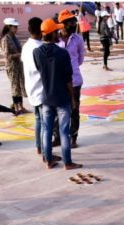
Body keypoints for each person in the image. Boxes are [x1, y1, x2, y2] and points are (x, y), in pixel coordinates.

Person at [34, 17, 82, 171]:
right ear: (52, 33)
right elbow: (68, 80)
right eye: (56, 31)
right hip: (62, 97)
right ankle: (67, 162)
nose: (59, 33)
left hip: (46, 96)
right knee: (64, 131)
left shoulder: (37, 52)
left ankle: (48, 160)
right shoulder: (62, 53)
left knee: (47, 130)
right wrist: (72, 98)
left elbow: (40, 70)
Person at [21, 16, 48, 160]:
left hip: (31, 87)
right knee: (45, 124)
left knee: (38, 120)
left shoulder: (26, 46)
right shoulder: (39, 48)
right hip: (41, 89)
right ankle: (46, 153)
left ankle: (39, 147)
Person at [56, 9, 84, 148]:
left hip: (75, 80)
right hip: (59, 81)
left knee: (74, 110)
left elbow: (80, 59)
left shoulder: (78, 39)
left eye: (74, 21)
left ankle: (73, 137)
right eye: (70, 22)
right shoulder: (55, 39)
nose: (74, 23)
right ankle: (58, 136)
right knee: (58, 109)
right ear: (62, 24)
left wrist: (71, 68)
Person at [0, 18, 28, 115]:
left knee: (19, 86)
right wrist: (20, 54)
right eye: (15, 27)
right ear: (9, 27)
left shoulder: (14, 38)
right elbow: (6, 55)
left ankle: (21, 106)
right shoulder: (5, 39)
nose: (16, 29)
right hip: (11, 66)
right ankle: (16, 107)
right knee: (14, 86)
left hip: (18, 65)